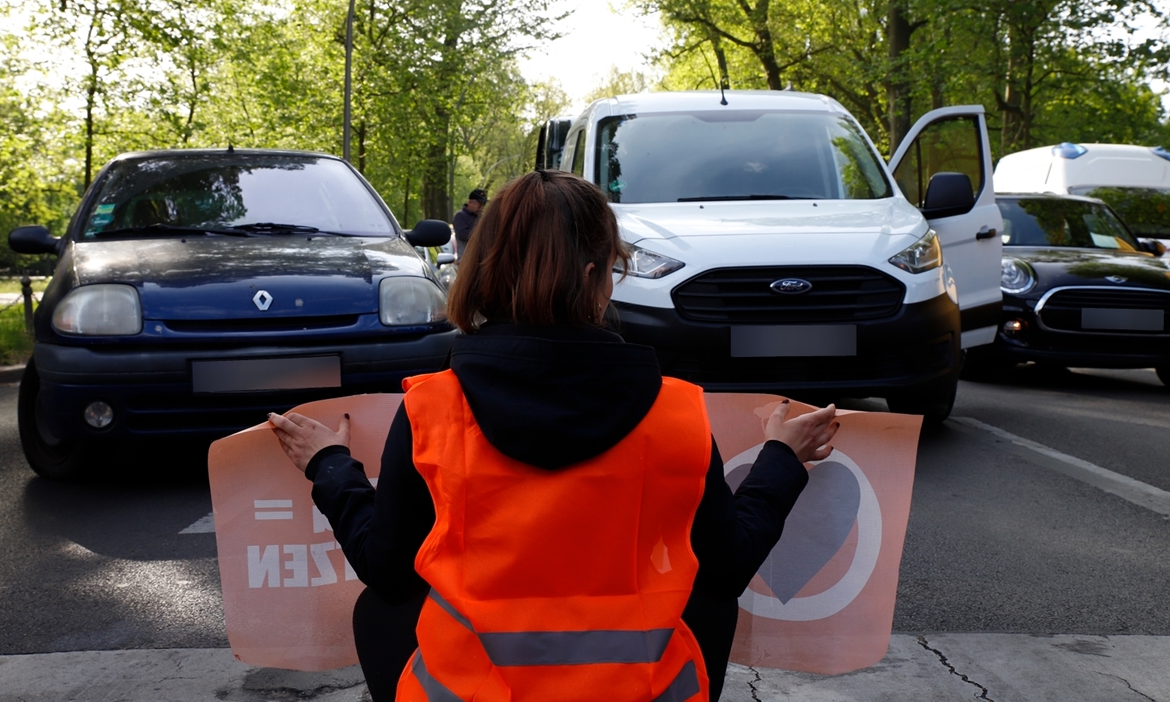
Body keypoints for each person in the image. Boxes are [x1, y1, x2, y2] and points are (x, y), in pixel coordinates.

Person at [270, 169, 838, 702]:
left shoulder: (433, 406)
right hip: (643, 690)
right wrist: (782, 456)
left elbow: (385, 566)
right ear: (594, 276)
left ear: (485, 269)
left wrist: (329, 464)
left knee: (382, 604)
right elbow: (729, 567)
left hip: (467, 692)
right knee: (710, 594)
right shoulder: (676, 410)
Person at [451, 188, 486, 261]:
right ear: (470, 202)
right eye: (479, 205)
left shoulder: (481, 217)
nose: (481, 208)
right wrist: (482, 230)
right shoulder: (460, 216)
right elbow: (463, 235)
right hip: (465, 260)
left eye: (483, 205)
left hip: (481, 259)